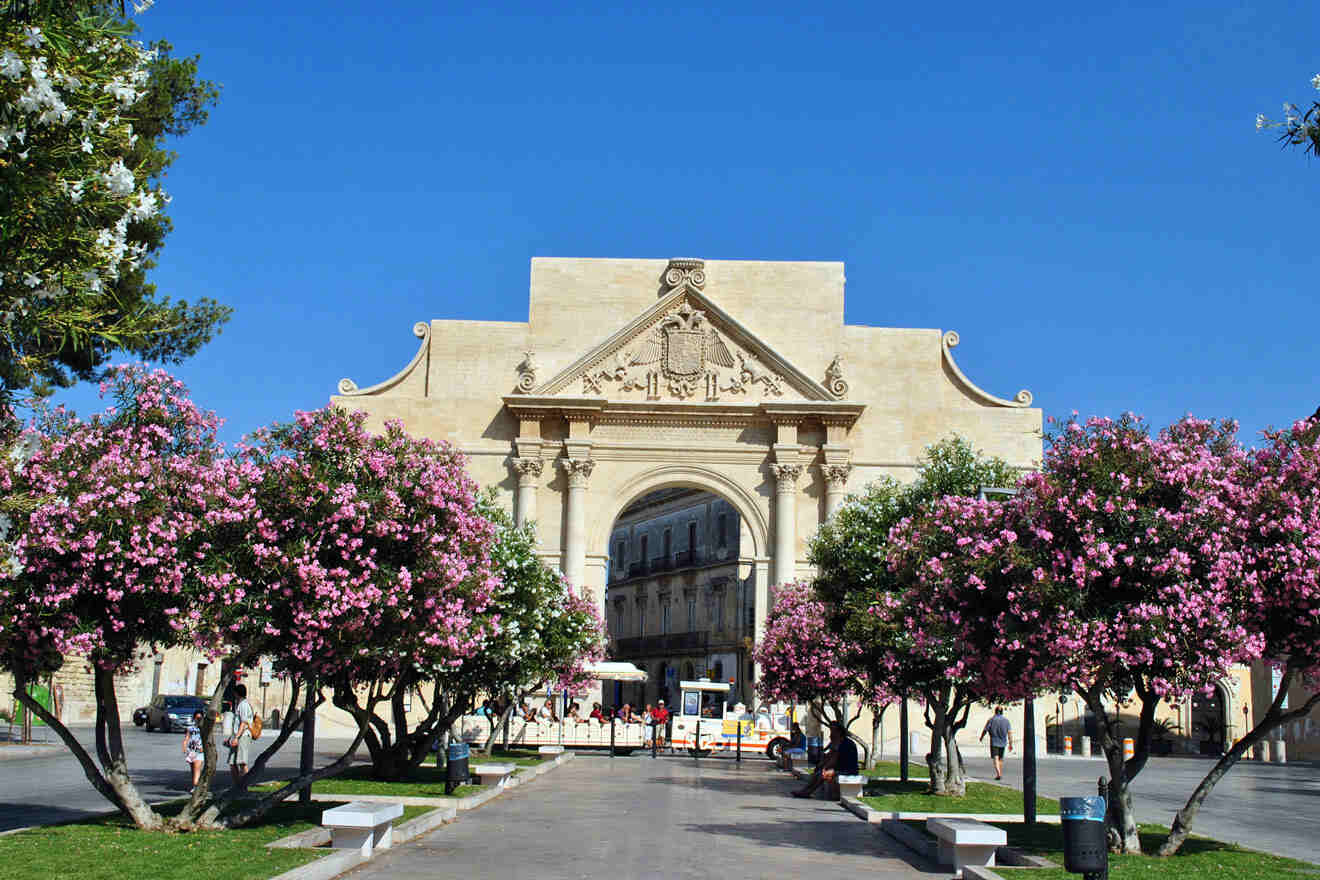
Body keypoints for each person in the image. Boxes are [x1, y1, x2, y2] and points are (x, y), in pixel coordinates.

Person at [792, 720, 859, 799]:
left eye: (833, 730)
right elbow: (829, 755)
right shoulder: (836, 741)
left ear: (839, 732)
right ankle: (805, 791)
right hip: (840, 768)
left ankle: (807, 792)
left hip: (848, 770)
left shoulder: (844, 743)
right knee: (818, 773)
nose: (831, 733)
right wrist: (821, 765)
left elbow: (834, 759)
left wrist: (825, 768)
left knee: (822, 774)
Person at [226, 683, 254, 789]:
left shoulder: (244, 705)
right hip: (237, 736)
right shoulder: (240, 704)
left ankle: (245, 785)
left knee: (242, 762)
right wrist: (231, 738)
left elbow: (243, 723)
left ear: (237, 693)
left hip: (243, 736)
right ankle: (237, 785)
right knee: (232, 763)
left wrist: (237, 737)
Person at [980, 706, 1014, 780]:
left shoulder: (991, 720)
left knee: (995, 757)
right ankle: (999, 773)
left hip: (994, 742)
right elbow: (1009, 733)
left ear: (995, 711)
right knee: (1001, 759)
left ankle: (998, 773)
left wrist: (981, 737)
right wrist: (1011, 743)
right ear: (1002, 712)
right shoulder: (1006, 721)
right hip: (1003, 742)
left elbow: (985, 730)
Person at [182, 709, 205, 790]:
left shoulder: (205, 728)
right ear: (194, 718)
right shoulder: (191, 728)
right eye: (196, 718)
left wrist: (204, 748)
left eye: (200, 718)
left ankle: (196, 786)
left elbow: (208, 739)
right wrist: (184, 747)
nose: (198, 720)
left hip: (200, 751)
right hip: (191, 751)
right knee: (193, 769)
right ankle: (195, 785)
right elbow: (187, 738)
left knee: (197, 768)